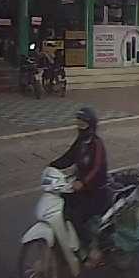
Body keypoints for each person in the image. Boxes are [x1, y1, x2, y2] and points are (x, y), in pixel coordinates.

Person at [50, 107, 110, 264]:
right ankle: (68, 240)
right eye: (78, 123)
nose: (80, 127)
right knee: (62, 204)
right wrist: (51, 166)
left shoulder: (97, 144)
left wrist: (83, 182)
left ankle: (91, 249)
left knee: (76, 215)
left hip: (96, 191)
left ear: (91, 126)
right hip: (81, 188)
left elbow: (97, 168)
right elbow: (68, 157)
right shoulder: (81, 142)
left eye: (83, 124)